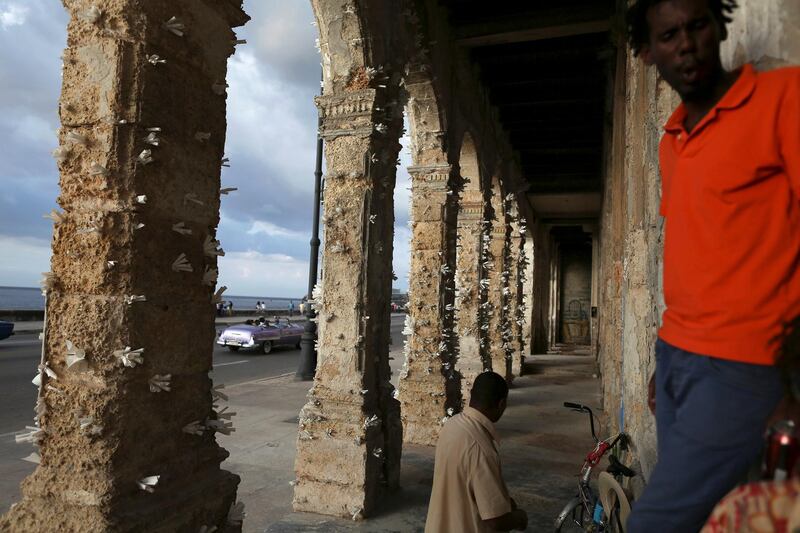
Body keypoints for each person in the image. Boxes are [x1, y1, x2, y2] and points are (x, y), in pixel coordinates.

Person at [624, 1, 800, 531]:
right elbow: (695, 253)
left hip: (743, 367)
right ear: (649, 52)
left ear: (720, 25)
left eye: (697, 25)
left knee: (652, 523)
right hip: (677, 358)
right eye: (669, 34)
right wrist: (666, 355)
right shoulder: (672, 141)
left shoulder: (782, 98)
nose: (686, 43)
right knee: (710, 518)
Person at [425, 371, 528, 532]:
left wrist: (504, 500)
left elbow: (464, 483)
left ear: (471, 395)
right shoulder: (481, 448)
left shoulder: (452, 425)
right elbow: (495, 521)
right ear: (501, 404)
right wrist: (519, 518)